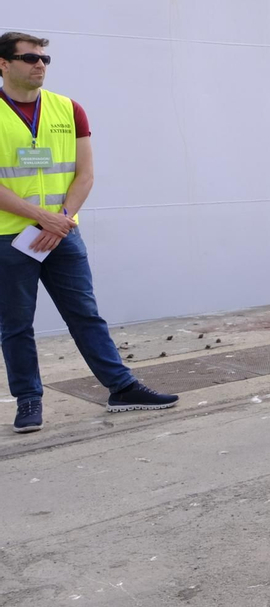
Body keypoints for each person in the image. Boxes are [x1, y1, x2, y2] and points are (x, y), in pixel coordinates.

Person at [0, 32, 178, 432]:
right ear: (4, 64)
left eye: (45, 59)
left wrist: (61, 218)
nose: (40, 64)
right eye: (30, 58)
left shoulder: (68, 109)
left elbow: (85, 174)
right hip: (9, 238)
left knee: (86, 315)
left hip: (62, 234)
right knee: (16, 325)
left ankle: (122, 388)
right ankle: (28, 401)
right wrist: (41, 217)